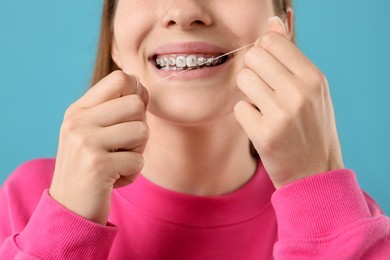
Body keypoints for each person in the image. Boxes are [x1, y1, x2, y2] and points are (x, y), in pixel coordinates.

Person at [1, 0, 389, 258]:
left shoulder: (349, 221)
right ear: (114, 35)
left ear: (282, 26)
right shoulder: (26, 205)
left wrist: (320, 194)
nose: (184, 11)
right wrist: (63, 231)